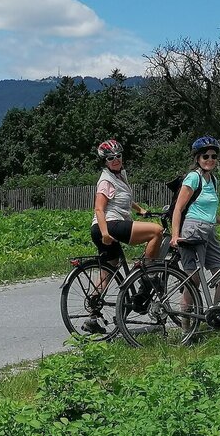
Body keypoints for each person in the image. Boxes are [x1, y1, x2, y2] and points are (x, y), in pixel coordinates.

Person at [85, 139, 163, 333]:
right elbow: (99, 208)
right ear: (105, 161)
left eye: (118, 156)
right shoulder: (106, 180)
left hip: (104, 227)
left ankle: (93, 318)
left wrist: (140, 209)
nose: (116, 160)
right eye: (111, 158)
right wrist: (105, 233)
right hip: (108, 225)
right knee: (156, 232)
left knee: (109, 270)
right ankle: (147, 276)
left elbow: (123, 199)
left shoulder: (118, 177)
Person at [170, 136, 220, 306]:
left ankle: (216, 315)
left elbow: (210, 214)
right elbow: (178, 209)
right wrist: (175, 235)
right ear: (197, 158)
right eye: (206, 156)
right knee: (193, 280)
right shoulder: (193, 178)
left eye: (213, 156)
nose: (210, 160)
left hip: (209, 231)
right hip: (193, 230)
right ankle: (186, 326)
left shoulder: (213, 180)